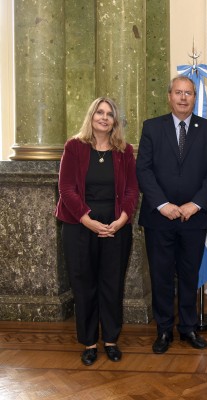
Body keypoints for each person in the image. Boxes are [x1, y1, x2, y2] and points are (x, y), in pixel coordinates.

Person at [137, 76, 207, 354]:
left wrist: (195, 204)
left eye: (189, 93)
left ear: (194, 97)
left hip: (193, 218)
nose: (184, 98)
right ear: (169, 96)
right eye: (178, 92)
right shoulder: (152, 127)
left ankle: (187, 327)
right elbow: (144, 170)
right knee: (161, 276)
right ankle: (163, 330)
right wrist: (163, 204)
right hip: (159, 218)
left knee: (189, 276)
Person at [55, 97, 139, 366]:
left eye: (110, 114)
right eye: (99, 112)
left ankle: (111, 340)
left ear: (115, 121)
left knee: (112, 284)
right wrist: (86, 219)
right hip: (79, 226)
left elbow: (131, 190)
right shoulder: (74, 146)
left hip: (116, 226)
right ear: (91, 116)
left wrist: (123, 218)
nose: (104, 117)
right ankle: (90, 342)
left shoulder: (124, 151)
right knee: (84, 285)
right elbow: (66, 188)